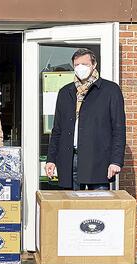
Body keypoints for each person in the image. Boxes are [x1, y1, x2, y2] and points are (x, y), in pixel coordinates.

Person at [44, 48, 126, 190]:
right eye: (76, 65)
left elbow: (118, 129)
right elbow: (57, 129)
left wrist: (116, 161)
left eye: (84, 64)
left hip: (98, 160)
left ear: (94, 65)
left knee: (98, 209)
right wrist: (51, 159)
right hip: (70, 159)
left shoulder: (110, 90)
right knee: (71, 208)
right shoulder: (66, 92)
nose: (80, 68)